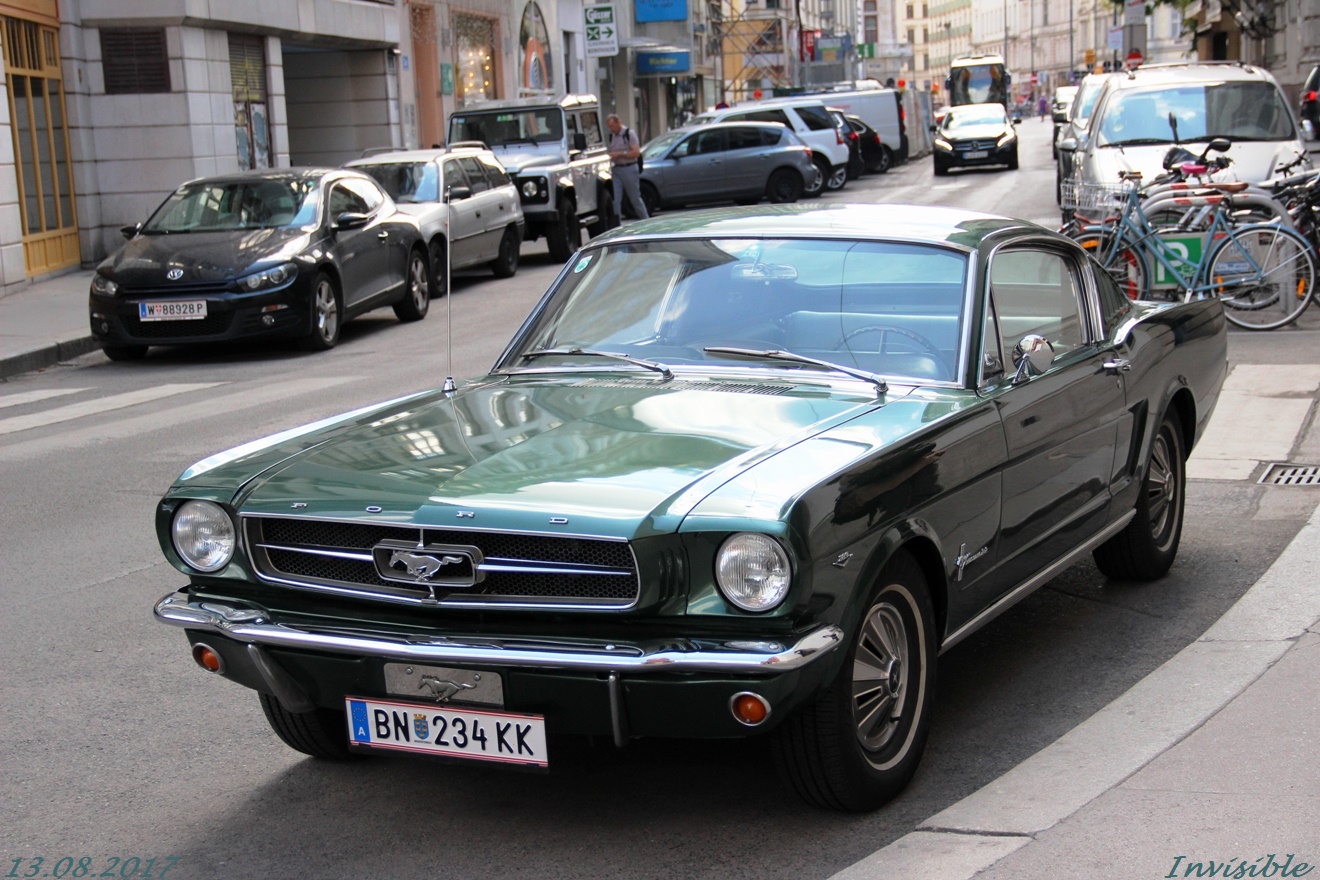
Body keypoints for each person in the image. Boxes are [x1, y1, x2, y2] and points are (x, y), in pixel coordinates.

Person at [606, 114, 649, 221]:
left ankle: (645, 219)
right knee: (616, 199)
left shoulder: (629, 134)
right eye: (609, 127)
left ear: (618, 123)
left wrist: (620, 154)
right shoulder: (611, 136)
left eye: (612, 126)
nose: (611, 129)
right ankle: (616, 222)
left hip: (629, 168)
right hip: (616, 169)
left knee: (634, 198)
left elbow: (636, 153)